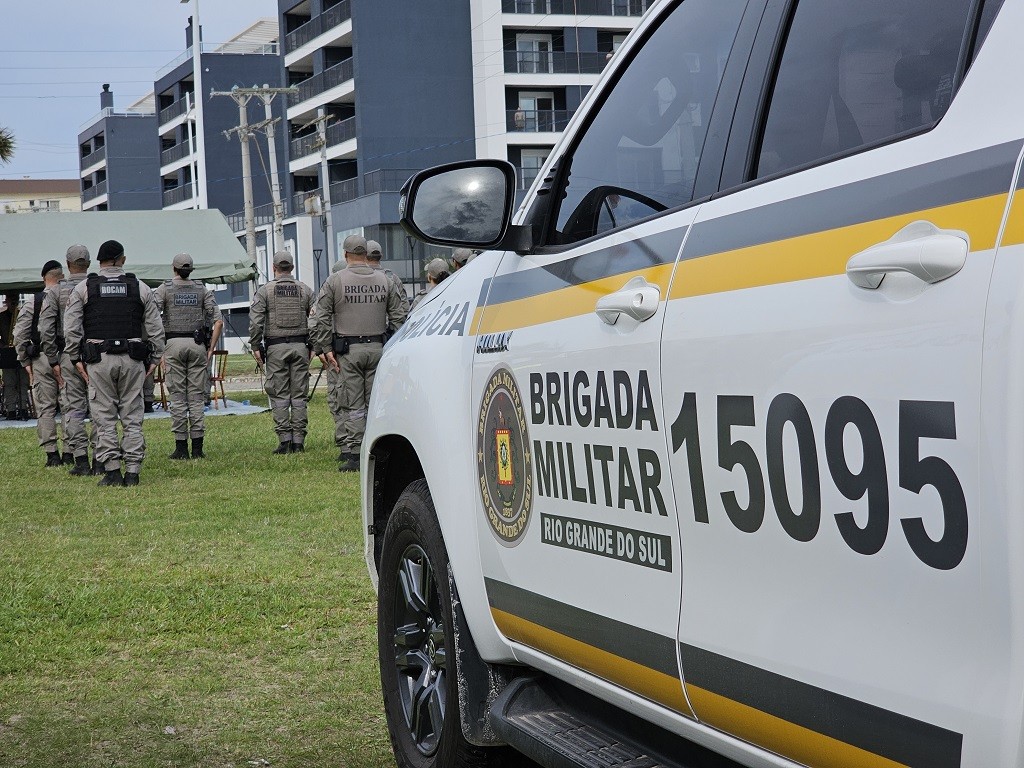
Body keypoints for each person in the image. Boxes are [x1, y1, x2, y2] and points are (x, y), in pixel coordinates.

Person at [64, 239, 165, 487]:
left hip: (99, 359)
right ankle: (132, 471)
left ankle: (111, 471)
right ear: (122, 260)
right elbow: (155, 329)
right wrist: (154, 358)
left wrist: (75, 358)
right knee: (132, 416)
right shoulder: (139, 287)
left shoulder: (85, 288)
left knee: (104, 416)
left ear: (98, 263)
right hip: (133, 358)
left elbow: (71, 328)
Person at [314, 234, 406, 472]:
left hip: (348, 351)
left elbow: (322, 316)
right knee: (377, 401)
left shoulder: (335, 281)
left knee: (353, 403)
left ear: (345, 255)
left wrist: (325, 348)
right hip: (379, 348)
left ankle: (356, 453)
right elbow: (398, 317)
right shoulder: (386, 280)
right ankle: (380, 449)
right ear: (366, 254)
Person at [154, 253, 224, 460]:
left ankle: (181, 448)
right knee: (196, 397)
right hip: (197, 345)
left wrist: (159, 348)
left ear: (173, 268)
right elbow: (218, 321)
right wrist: (210, 348)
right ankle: (198, 448)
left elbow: (151, 316)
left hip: (172, 344)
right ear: (191, 270)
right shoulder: (202, 290)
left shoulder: (164, 289)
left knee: (177, 398)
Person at [40, 244, 97, 476]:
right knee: (98, 408)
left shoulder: (55, 292)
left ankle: (81, 459)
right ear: (89, 264)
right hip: (96, 355)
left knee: (73, 409)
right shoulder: (98, 286)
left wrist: (53, 359)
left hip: (67, 356)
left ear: (67, 264)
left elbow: (46, 329)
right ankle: (102, 459)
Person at [250, 250, 315, 454]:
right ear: (292, 268)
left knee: (279, 395)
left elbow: (255, 322)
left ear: (274, 268)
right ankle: (298, 442)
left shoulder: (265, 291)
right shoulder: (305, 290)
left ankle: (284, 440)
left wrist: (255, 346)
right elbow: (315, 320)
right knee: (298, 396)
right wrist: (313, 345)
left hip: (276, 348)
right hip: (300, 346)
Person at [13, 260, 65, 465]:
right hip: (68, 357)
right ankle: (73, 452)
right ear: (62, 276)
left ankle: (52, 454)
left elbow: (20, 334)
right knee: (72, 406)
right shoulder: (73, 296)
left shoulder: (34, 301)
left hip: (42, 358)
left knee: (45, 407)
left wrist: (24, 360)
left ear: (44, 277)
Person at [366, 239, 410, 330]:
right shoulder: (393, 278)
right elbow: (404, 308)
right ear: (381, 256)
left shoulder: (360, 278)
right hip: (390, 332)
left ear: (364, 257)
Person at [0, 292, 30, 420]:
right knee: (9, 382)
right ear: (6, 301)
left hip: (21, 350)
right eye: (10, 300)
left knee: (23, 382)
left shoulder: (22, 315)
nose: (13, 302)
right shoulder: (1, 317)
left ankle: (23, 408)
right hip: (7, 352)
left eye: (15, 300)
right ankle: (11, 410)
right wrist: (3, 346)